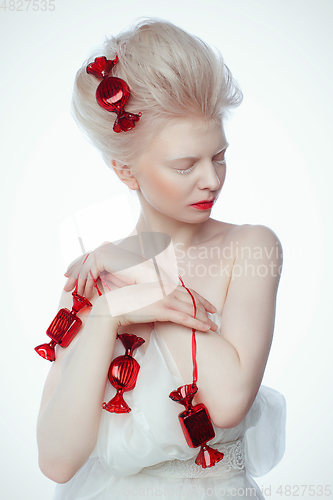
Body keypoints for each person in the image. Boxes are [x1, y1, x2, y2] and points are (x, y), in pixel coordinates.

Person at [36, 19, 286, 500]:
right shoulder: (97, 276)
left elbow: (228, 402)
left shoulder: (251, 248)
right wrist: (110, 309)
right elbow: (57, 461)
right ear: (125, 171)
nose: (211, 180)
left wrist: (145, 276)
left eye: (219, 156)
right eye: (184, 165)